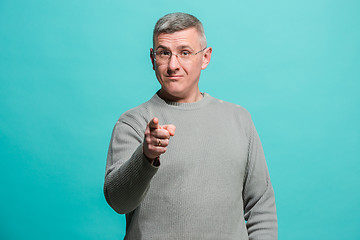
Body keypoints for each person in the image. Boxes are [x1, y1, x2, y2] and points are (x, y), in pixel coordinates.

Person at [104, 12, 277, 239]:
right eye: (164, 53)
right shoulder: (133, 123)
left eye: (184, 53)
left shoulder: (239, 120)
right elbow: (119, 202)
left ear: (205, 57)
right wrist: (145, 157)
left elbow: (261, 206)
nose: (173, 65)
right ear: (152, 58)